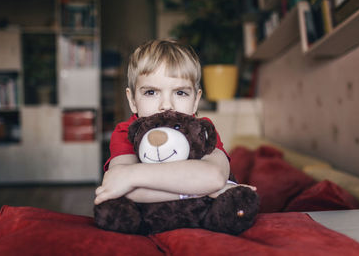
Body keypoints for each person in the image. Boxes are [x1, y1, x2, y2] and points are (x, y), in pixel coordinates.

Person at [94, 39, 253, 206]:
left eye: (180, 93)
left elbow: (215, 176)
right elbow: (120, 189)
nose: (167, 105)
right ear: (132, 100)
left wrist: (131, 176)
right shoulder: (125, 132)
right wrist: (204, 190)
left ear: (195, 101)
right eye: (151, 92)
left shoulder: (202, 129)